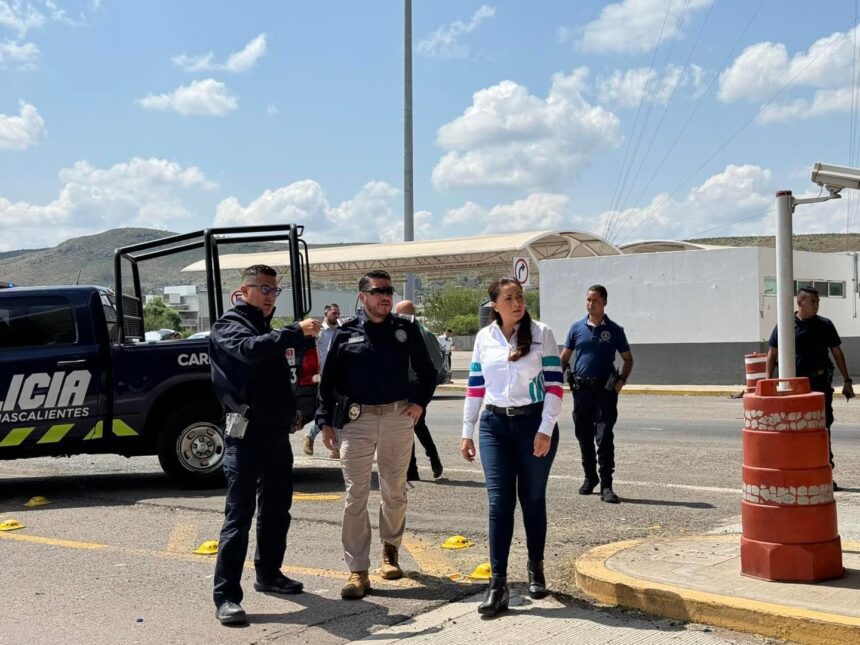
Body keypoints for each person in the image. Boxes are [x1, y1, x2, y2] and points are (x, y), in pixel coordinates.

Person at [209, 264, 322, 626]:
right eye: (266, 289)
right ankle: (226, 596)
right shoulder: (229, 326)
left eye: (276, 291)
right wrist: (292, 332)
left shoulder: (266, 329)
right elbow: (249, 351)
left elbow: (278, 376)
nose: (273, 296)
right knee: (238, 515)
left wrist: (297, 410)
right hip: (245, 434)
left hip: (275, 432)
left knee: (276, 508)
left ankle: (269, 573)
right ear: (244, 291)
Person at [316, 269, 437, 600]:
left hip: (398, 417)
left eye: (389, 291)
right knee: (356, 495)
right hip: (358, 420)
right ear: (363, 296)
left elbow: (428, 372)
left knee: (394, 491)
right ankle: (358, 570)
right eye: (379, 291)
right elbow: (328, 383)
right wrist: (325, 421)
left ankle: (390, 551)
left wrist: (419, 404)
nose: (386, 296)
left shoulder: (405, 330)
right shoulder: (345, 334)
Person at [461, 277, 563, 616]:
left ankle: (536, 568)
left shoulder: (541, 333)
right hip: (494, 426)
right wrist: (467, 431)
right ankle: (498, 584)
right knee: (499, 503)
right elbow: (475, 386)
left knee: (532, 499)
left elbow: (554, 386)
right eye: (509, 298)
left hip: (534, 424)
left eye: (520, 297)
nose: (517, 302)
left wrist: (545, 429)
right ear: (495, 305)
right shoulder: (483, 338)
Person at [766, 286, 854, 490]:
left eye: (817, 301)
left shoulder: (825, 324)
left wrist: (847, 380)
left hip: (820, 384)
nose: (816, 304)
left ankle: (825, 474)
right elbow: (772, 354)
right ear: (800, 302)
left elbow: (837, 352)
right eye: (812, 301)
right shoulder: (786, 325)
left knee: (822, 429)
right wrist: (767, 382)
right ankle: (798, 475)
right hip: (794, 388)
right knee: (795, 431)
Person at [560, 285, 633, 505]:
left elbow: (628, 359)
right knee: (583, 435)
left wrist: (621, 381)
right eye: (588, 300)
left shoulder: (615, 330)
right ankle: (590, 477)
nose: (590, 304)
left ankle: (607, 485)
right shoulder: (576, 328)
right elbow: (564, 358)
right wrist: (562, 377)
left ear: (604, 303)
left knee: (604, 437)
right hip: (582, 391)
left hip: (605, 392)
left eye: (595, 300)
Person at [394, 300, 445, 480]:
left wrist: (425, 381)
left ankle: (417, 466)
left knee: (412, 424)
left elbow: (436, 363)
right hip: (404, 385)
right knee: (413, 425)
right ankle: (426, 460)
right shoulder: (399, 331)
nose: (400, 318)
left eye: (403, 314)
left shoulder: (422, 333)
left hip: (417, 384)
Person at [303, 303, 342, 459]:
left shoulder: (340, 331)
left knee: (336, 410)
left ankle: (334, 446)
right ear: (326, 313)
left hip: (338, 376)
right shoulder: (319, 332)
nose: (337, 315)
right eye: (334, 312)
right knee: (327, 410)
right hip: (322, 376)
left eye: (338, 312)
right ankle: (314, 438)